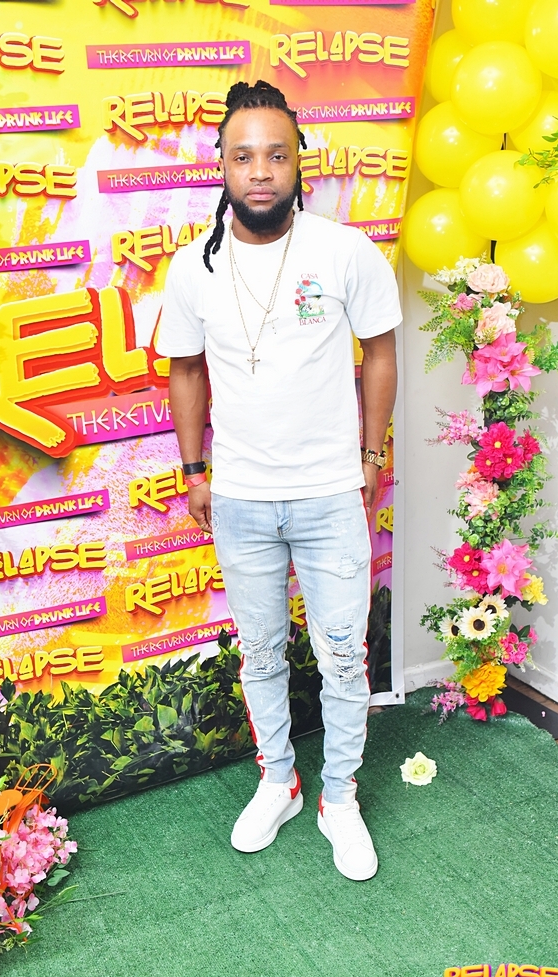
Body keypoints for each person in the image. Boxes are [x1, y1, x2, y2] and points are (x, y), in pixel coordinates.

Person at [157, 80, 400, 881]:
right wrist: (196, 470)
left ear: (300, 163)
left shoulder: (345, 251)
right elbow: (185, 369)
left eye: (276, 155)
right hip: (240, 498)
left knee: (343, 658)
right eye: (243, 156)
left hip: (331, 493)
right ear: (221, 166)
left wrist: (370, 456)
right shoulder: (193, 267)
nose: (260, 171)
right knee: (260, 652)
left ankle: (340, 797)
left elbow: (381, 354)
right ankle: (279, 782)